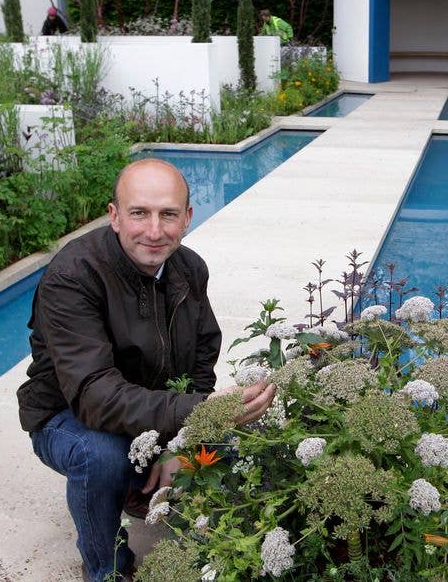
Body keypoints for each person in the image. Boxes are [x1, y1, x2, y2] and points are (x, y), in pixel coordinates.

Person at [17, 158, 276, 581]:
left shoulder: (189, 269)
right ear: (114, 216)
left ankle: (142, 485)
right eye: (139, 213)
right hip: (66, 414)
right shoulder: (73, 276)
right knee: (103, 456)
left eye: (168, 214)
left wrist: (180, 444)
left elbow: (201, 359)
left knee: (246, 446)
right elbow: (94, 395)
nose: (154, 231)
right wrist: (198, 413)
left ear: (187, 218)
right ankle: (107, 569)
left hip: (147, 410)